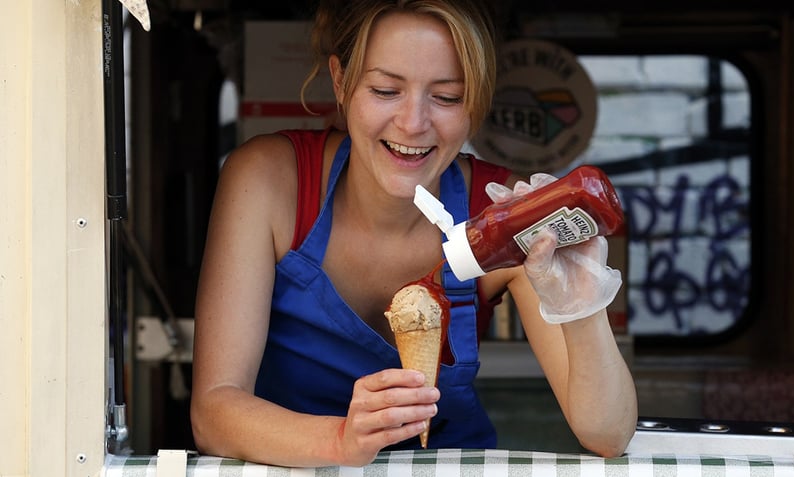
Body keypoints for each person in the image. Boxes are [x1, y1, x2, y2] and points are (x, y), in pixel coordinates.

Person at [190, 0, 637, 468]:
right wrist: (341, 441)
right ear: (341, 83)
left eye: (447, 97)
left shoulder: (499, 212)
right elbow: (214, 410)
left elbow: (607, 434)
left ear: (476, 103)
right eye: (385, 90)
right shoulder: (269, 180)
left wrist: (582, 305)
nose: (413, 123)